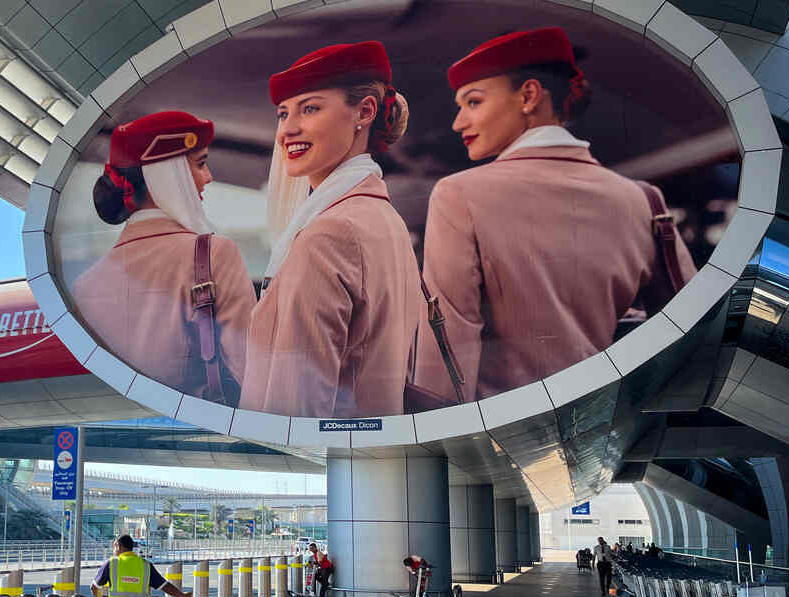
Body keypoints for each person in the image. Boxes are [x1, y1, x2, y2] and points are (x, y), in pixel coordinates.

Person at [414, 27, 697, 404]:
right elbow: (687, 325)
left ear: (529, 95)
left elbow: (448, 337)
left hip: (502, 426)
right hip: (600, 419)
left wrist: (434, 438)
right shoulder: (643, 201)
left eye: (473, 102)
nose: (458, 122)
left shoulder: (459, 195)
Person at [240, 40, 422, 418]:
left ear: (365, 112)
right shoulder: (384, 218)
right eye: (282, 114)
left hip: (330, 466)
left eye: (310, 108)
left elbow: (296, 409)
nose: (287, 130)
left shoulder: (329, 233)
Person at [73, 111, 255, 405]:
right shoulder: (214, 254)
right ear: (168, 176)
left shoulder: (84, 286)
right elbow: (253, 373)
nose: (208, 178)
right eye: (200, 164)